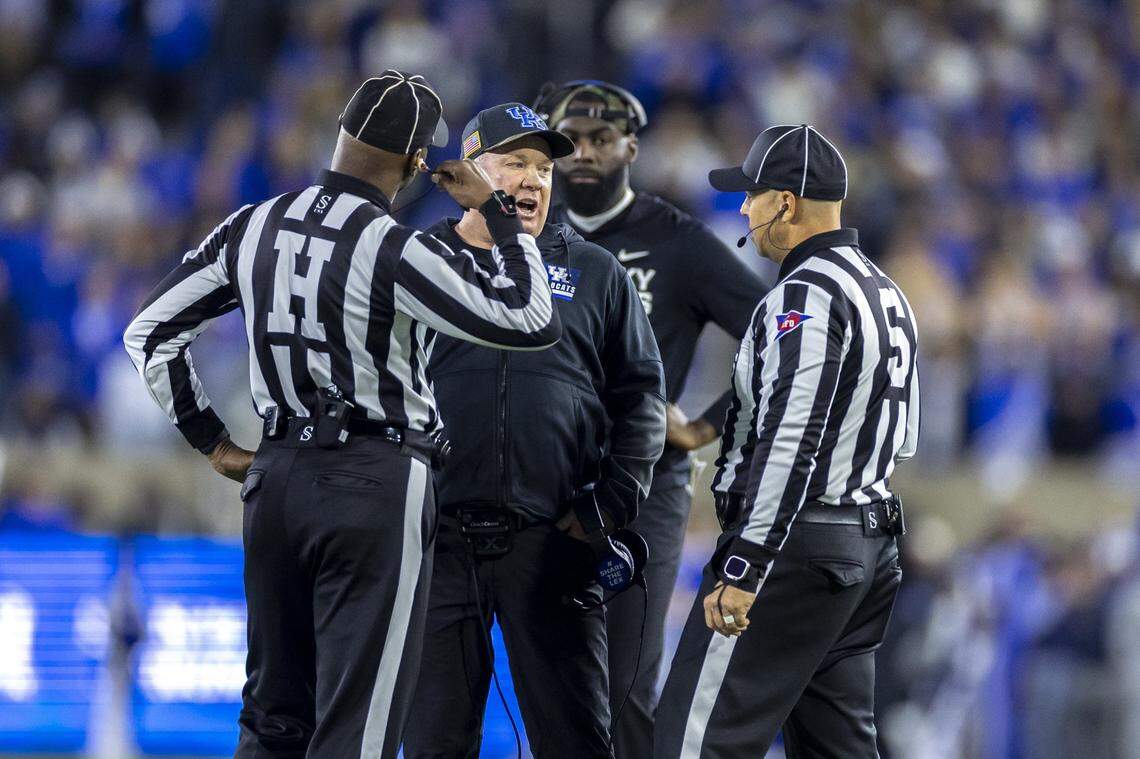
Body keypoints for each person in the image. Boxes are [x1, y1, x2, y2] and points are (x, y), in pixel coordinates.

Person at [122, 71, 562, 759]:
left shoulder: (253, 223)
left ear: (341, 137)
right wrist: (503, 220)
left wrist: (212, 441)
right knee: (359, 729)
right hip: (376, 482)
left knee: (270, 720)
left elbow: (149, 334)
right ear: (418, 162)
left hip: (275, 478)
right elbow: (531, 318)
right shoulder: (393, 245)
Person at [401, 102, 666, 759]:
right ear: (469, 171)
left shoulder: (598, 273)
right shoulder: (416, 258)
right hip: (438, 544)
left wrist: (613, 498)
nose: (535, 179)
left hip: (554, 541)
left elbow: (642, 397)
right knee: (433, 741)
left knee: (576, 740)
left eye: (545, 167)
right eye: (515, 162)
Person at [654, 124, 920, 758]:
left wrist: (746, 563)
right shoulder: (886, 289)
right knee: (838, 747)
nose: (745, 209)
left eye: (753, 195)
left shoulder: (804, 293)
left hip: (796, 547)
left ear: (787, 202)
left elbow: (791, 439)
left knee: (688, 743)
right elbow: (902, 438)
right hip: (867, 543)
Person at [532, 80, 768, 758]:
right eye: (569, 139)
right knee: (545, 671)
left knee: (627, 679)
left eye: (601, 139)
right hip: (542, 479)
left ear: (631, 147)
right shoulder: (524, 232)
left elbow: (779, 338)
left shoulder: (676, 240)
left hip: (640, 483)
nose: (583, 153)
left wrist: (702, 425)